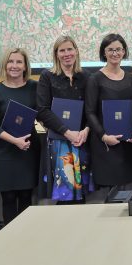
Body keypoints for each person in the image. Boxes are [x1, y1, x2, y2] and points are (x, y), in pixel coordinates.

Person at [0, 48, 40, 225]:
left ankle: (25, 237)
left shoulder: (35, 88)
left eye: (19, 62)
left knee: (26, 196)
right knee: (8, 198)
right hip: (4, 152)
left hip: (28, 151)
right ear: (4, 65)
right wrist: (15, 141)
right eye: (10, 61)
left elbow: (43, 112)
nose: (14, 66)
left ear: (25, 66)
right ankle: (9, 238)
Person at [37, 35, 91, 203]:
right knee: (64, 192)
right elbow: (42, 110)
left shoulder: (86, 76)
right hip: (59, 141)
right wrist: (67, 133)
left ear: (76, 51)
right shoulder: (47, 76)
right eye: (62, 50)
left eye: (70, 49)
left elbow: (92, 108)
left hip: (82, 140)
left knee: (81, 193)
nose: (67, 54)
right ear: (56, 54)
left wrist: (86, 130)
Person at [85, 34, 132, 200]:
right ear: (104, 52)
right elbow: (90, 112)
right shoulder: (95, 79)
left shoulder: (130, 78)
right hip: (104, 145)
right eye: (110, 50)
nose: (115, 53)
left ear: (124, 51)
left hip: (126, 143)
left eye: (118, 49)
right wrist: (103, 136)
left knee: (126, 192)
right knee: (108, 193)